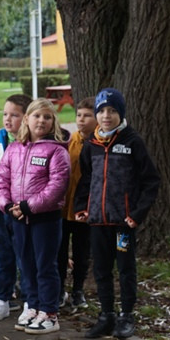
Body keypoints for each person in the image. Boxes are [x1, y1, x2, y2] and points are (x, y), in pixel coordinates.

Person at [75, 88, 161, 340]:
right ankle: (106, 315)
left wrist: (136, 214)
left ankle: (126, 316)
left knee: (125, 269)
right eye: (101, 111)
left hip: (123, 222)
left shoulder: (132, 141)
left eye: (112, 111)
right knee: (101, 268)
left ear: (120, 113)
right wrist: (82, 207)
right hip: (98, 221)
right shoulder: (91, 144)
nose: (106, 116)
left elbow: (151, 181)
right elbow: (86, 179)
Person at [0, 98, 71, 334]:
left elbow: (57, 185)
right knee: (26, 265)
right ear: (27, 119)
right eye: (37, 116)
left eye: (47, 117)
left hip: (44, 219)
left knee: (45, 265)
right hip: (18, 218)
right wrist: (7, 205)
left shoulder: (56, 150)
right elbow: (1, 179)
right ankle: (33, 307)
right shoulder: (14, 148)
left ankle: (49, 312)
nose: (42, 121)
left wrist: (29, 206)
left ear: (53, 122)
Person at [0, 93, 33, 321]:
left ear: (26, 118)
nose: (7, 119)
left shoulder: (31, 143)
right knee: (2, 255)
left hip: (23, 211)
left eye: (14, 115)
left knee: (25, 256)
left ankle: (28, 302)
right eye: (5, 114)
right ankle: (2, 299)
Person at [58, 97, 97, 311]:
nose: (81, 120)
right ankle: (59, 288)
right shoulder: (67, 141)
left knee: (82, 252)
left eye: (87, 116)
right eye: (79, 115)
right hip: (63, 208)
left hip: (85, 210)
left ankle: (78, 289)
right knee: (60, 251)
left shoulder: (99, 145)